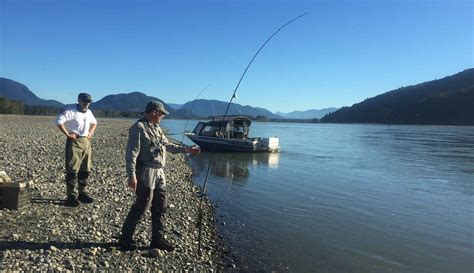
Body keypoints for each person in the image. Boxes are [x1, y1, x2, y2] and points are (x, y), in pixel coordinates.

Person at [119, 101, 200, 252]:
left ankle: (157, 240)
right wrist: (131, 176)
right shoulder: (138, 127)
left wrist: (187, 149)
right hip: (145, 172)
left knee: (161, 205)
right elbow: (131, 154)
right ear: (155, 112)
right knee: (142, 206)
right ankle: (125, 239)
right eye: (162, 114)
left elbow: (168, 146)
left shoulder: (157, 128)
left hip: (159, 172)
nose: (163, 116)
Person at [55, 93, 97, 207]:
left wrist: (91, 132)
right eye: (85, 101)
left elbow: (94, 122)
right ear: (79, 100)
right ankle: (71, 196)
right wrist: (67, 134)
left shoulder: (89, 112)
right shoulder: (71, 111)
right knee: (72, 169)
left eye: (89, 102)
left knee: (85, 168)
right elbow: (59, 121)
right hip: (74, 141)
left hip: (86, 141)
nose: (87, 104)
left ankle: (82, 193)